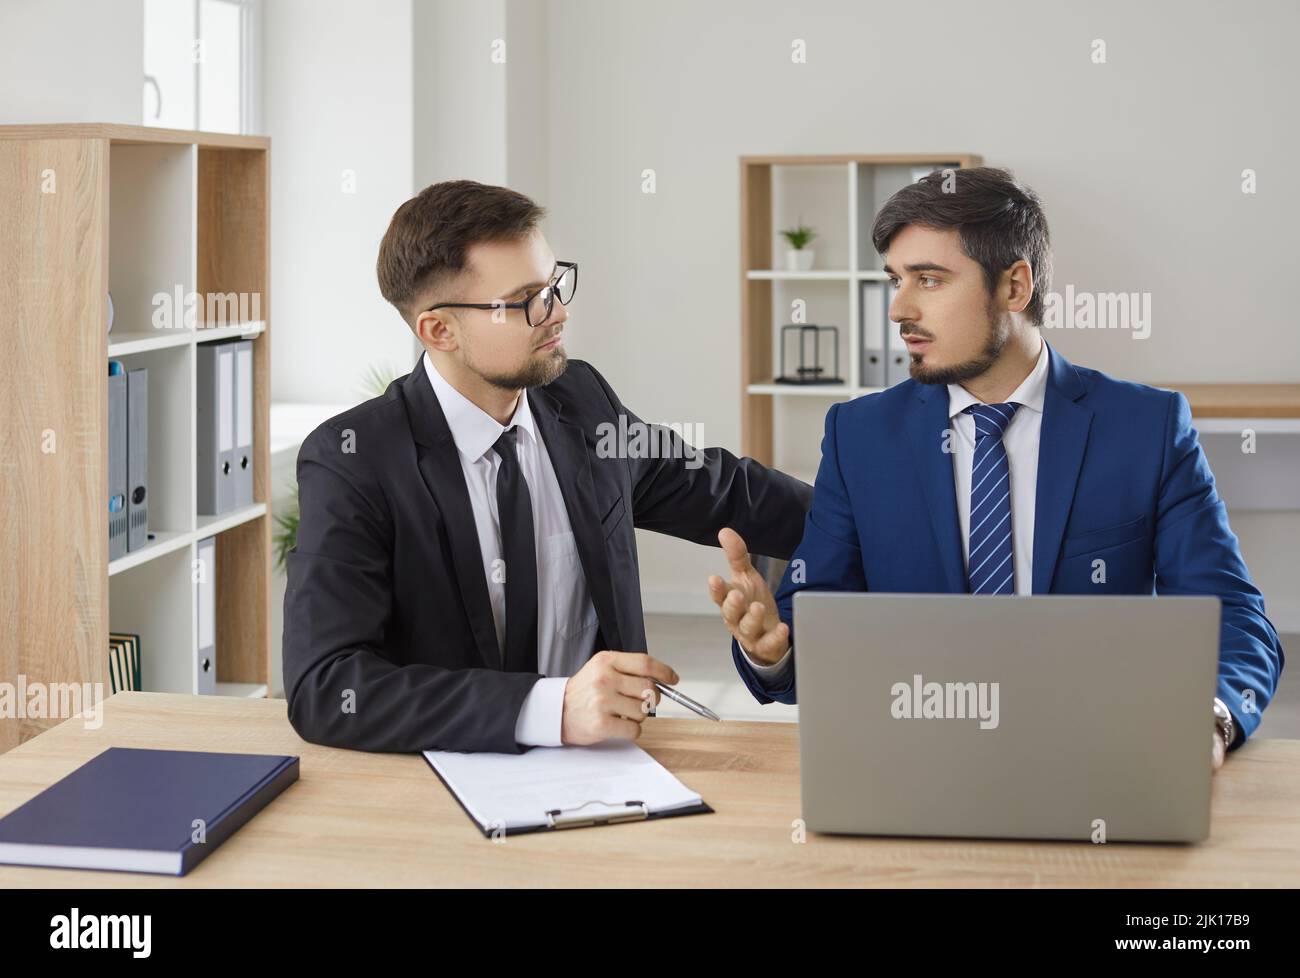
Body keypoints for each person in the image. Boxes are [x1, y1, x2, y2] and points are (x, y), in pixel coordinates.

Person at [708, 167, 1283, 769]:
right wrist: (773, 651)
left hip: (1097, 759)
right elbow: (812, 621)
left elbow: (1233, 615)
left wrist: (1212, 721)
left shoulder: (1148, 428)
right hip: (919, 761)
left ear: (1015, 287)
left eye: (928, 280)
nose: (898, 309)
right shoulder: (859, 437)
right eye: (896, 281)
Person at [284, 180, 812, 754]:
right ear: (439, 330)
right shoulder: (354, 459)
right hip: (441, 783)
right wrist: (550, 710)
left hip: (611, 767)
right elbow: (326, 685)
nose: (557, 312)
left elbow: (723, 490)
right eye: (526, 299)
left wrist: (877, 519)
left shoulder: (580, 399)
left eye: (556, 284)